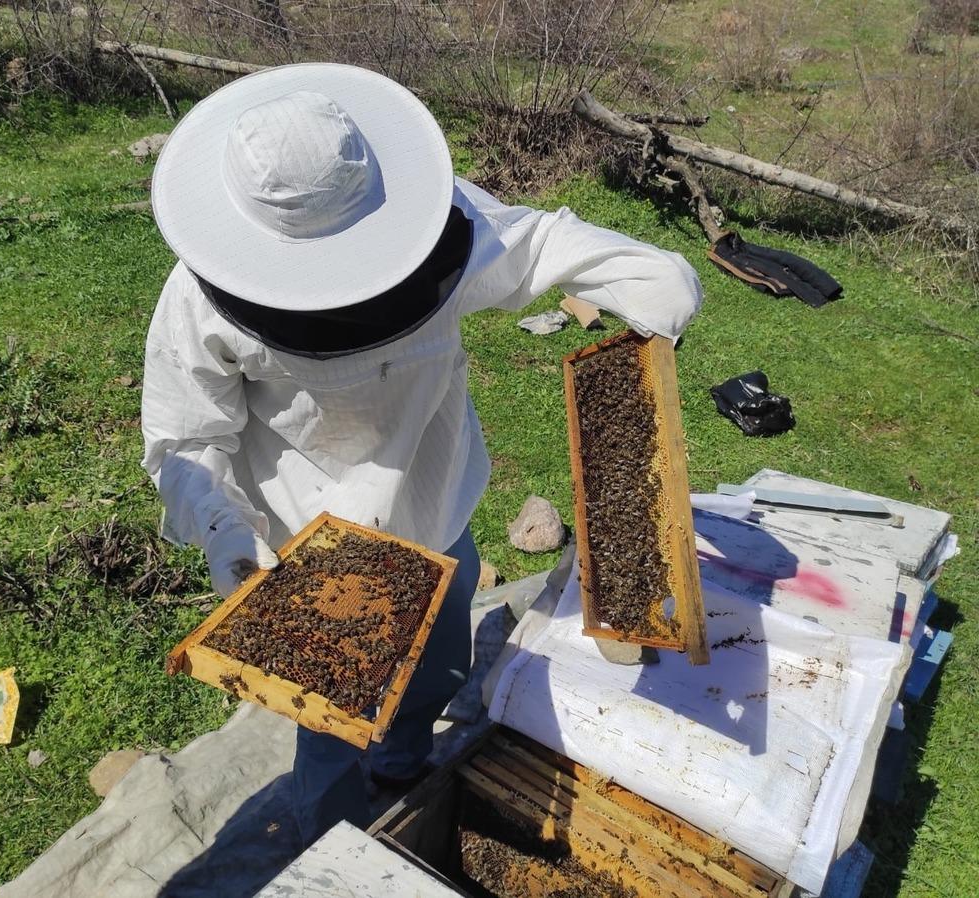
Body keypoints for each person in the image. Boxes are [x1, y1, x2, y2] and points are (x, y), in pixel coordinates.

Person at [141, 63, 702, 847]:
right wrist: (221, 528)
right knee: (331, 720)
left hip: (437, 508)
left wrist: (649, 274)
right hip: (313, 549)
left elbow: (543, 241)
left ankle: (405, 775)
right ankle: (332, 843)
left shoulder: (447, 230)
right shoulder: (201, 298)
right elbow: (184, 435)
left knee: (433, 670)